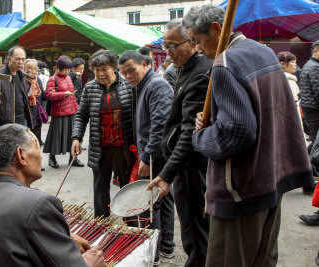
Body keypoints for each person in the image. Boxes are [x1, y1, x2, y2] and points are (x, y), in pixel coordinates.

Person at [184, 5, 314, 267]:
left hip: (240, 190)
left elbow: (236, 133)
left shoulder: (226, 62)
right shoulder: (263, 51)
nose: (198, 49)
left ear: (216, 29)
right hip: (272, 179)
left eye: (197, 41)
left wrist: (200, 138)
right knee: (262, 260)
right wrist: (212, 122)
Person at [0, 124, 106, 267]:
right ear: (21, 156)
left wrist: (60, 234)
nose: (41, 157)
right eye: (36, 147)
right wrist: (91, 264)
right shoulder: (38, 204)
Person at [147, 19, 212, 267]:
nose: (169, 52)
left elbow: (189, 133)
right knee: (192, 228)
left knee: (196, 230)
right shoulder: (185, 68)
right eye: (166, 46)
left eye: (174, 45)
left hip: (192, 166)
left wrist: (166, 175)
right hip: (185, 164)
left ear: (193, 43)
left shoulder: (201, 73)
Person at [119, 50, 175, 265]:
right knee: (164, 199)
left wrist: (147, 156)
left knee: (152, 205)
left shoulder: (157, 85)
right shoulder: (143, 86)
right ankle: (166, 246)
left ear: (145, 64)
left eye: (131, 70)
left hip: (156, 157)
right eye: (124, 73)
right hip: (154, 155)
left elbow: (159, 125)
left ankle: (154, 254)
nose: (128, 76)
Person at [71, 49, 135, 218]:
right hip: (100, 149)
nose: (100, 74)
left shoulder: (128, 85)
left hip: (124, 148)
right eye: (96, 70)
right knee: (100, 190)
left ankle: (131, 224)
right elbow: (81, 115)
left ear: (114, 68)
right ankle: (101, 224)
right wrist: (76, 138)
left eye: (104, 69)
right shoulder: (90, 88)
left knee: (127, 187)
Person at [43, 55, 84, 169]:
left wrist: (77, 109)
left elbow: (72, 96)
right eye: (65, 69)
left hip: (71, 111)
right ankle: (52, 158)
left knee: (72, 136)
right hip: (59, 112)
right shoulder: (53, 79)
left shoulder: (68, 78)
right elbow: (48, 95)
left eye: (68, 69)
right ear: (59, 68)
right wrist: (63, 94)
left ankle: (73, 159)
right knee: (56, 136)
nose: (67, 71)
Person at [0, 46, 32, 127]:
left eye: (23, 59)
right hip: (6, 122)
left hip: (22, 120)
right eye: (17, 59)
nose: (20, 62)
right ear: (9, 58)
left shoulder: (22, 76)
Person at [24, 59, 45, 171]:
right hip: (26, 116)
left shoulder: (38, 81)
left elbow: (42, 95)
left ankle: (37, 163)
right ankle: (27, 163)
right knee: (26, 142)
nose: (30, 70)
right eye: (28, 67)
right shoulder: (22, 81)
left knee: (37, 140)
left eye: (33, 67)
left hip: (37, 115)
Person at [300, 40, 319, 140]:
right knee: (316, 140)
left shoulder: (309, 64)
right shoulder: (315, 67)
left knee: (315, 138)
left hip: (309, 108)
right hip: (314, 109)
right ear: (315, 52)